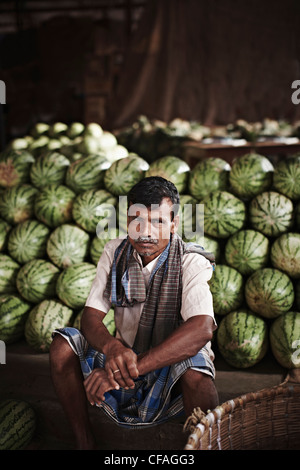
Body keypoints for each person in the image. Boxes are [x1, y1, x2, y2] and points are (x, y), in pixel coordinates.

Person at [49, 176, 219, 450]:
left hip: (167, 367)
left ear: (174, 224)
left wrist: (131, 368)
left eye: (159, 222)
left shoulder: (191, 261)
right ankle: (84, 442)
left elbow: (202, 329)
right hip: (124, 357)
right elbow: (91, 318)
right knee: (62, 346)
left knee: (196, 369)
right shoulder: (114, 252)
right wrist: (112, 348)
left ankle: (205, 445)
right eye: (136, 220)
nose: (145, 232)